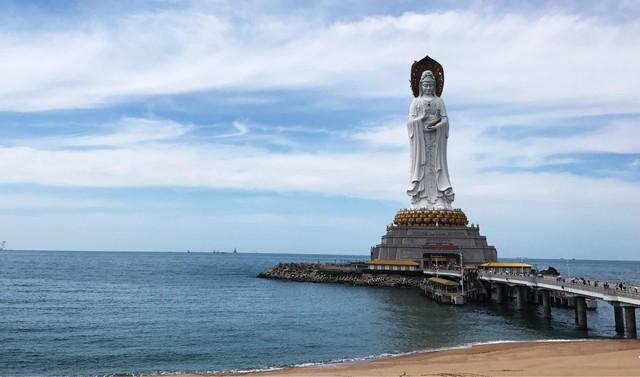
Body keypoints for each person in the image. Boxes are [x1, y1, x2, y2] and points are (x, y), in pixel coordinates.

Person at [406, 70, 454, 209]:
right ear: (421, 86)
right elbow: (410, 123)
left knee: (437, 167)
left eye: (431, 85)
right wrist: (420, 119)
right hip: (421, 142)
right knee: (422, 166)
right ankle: (422, 198)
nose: (428, 88)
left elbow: (445, 120)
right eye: (426, 85)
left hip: (436, 141)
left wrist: (438, 126)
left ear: (435, 86)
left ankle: (439, 198)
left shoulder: (439, 101)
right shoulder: (416, 102)